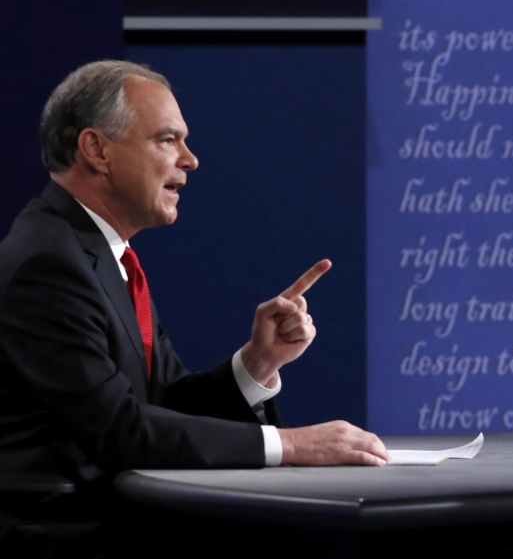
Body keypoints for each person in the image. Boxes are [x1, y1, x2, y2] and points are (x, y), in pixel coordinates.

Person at [0, 60, 391, 485]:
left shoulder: (99, 252)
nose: (190, 160)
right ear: (97, 150)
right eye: (167, 140)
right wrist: (291, 445)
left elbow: (163, 408)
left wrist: (256, 364)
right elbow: (118, 430)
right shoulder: (48, 264)